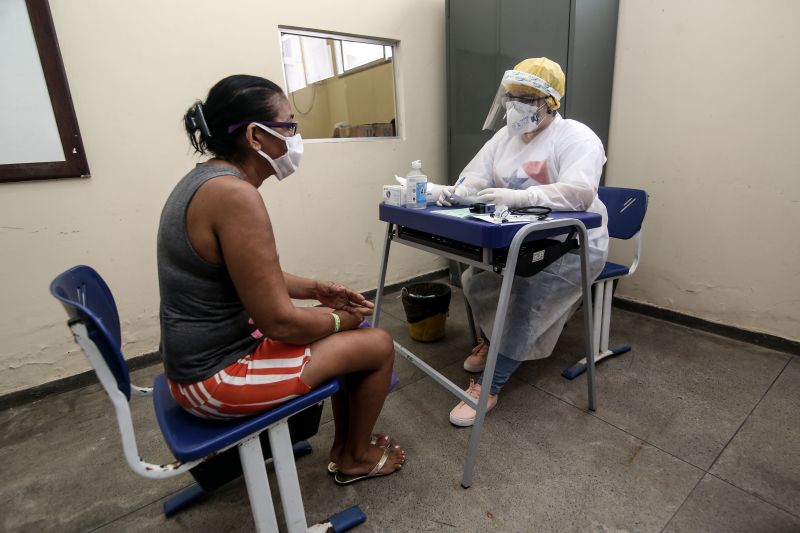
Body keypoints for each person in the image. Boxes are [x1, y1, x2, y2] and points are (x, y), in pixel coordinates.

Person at [157, 74, 405, 484]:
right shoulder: (235, 196)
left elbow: (251, 277)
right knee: (376, 343)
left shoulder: (205, 181)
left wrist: (317, 291)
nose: (295, 138)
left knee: (338, 327)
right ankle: (355, 456)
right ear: (256, 136)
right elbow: (280, 323)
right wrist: (345, 319)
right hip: (213, 380)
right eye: (289, 126)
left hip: (198, 361)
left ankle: (348, 445)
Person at [438, 58, 609, 426]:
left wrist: (521, 197)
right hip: (516, 238)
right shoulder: (504, 138)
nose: (515, 104)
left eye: (526, 98)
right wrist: (452, 192)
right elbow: (475, 177)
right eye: (512, 96)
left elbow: (579, 193)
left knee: (526, 298)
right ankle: (493, 341)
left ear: (551, 102)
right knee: (475, 279)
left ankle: (490, 384)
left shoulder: (576, 137)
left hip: (572, 243)